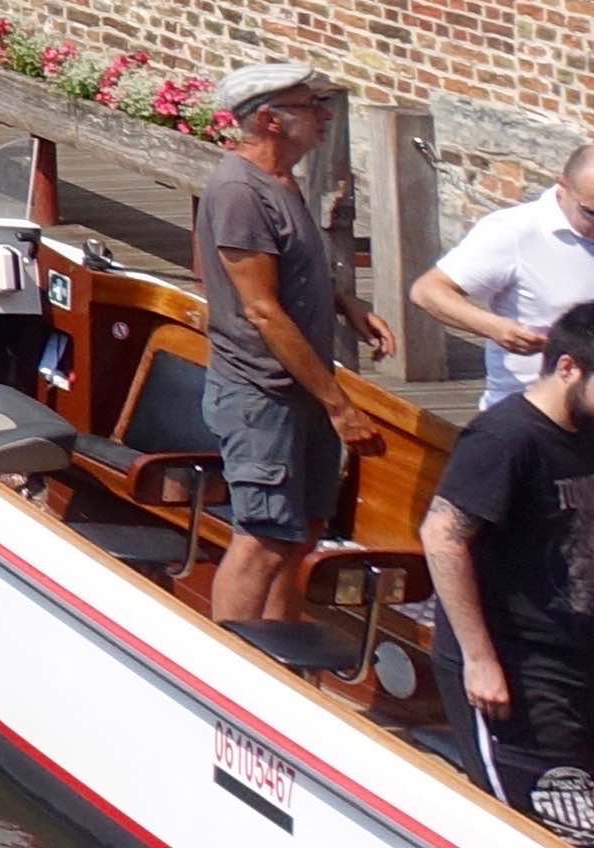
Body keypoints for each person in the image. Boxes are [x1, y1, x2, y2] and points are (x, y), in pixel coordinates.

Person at [193, 61, 390, 628]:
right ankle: (230, 662)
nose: (324, 116)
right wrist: (340, 406)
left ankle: (278, 654)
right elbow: (262, 309)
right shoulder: (239, 192)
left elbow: (290, 271)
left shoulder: (282, 182)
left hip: (297, 391)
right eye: (310, 106)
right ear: (270, 121)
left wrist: (344, 302)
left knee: (301, 533)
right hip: (262, 396)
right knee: (263, 538)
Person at [426, 295, 594, 834]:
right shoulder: (505, 438)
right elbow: (442, 536)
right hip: (517, 666)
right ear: (568, 368)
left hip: (576, 656)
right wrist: (479, 659)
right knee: (551, 825)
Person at [426, 146, 594, 417]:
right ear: (562, 186)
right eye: (590, 213)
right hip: (533, 414)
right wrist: (496, 328)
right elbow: (429, 290)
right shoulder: (515, 231)